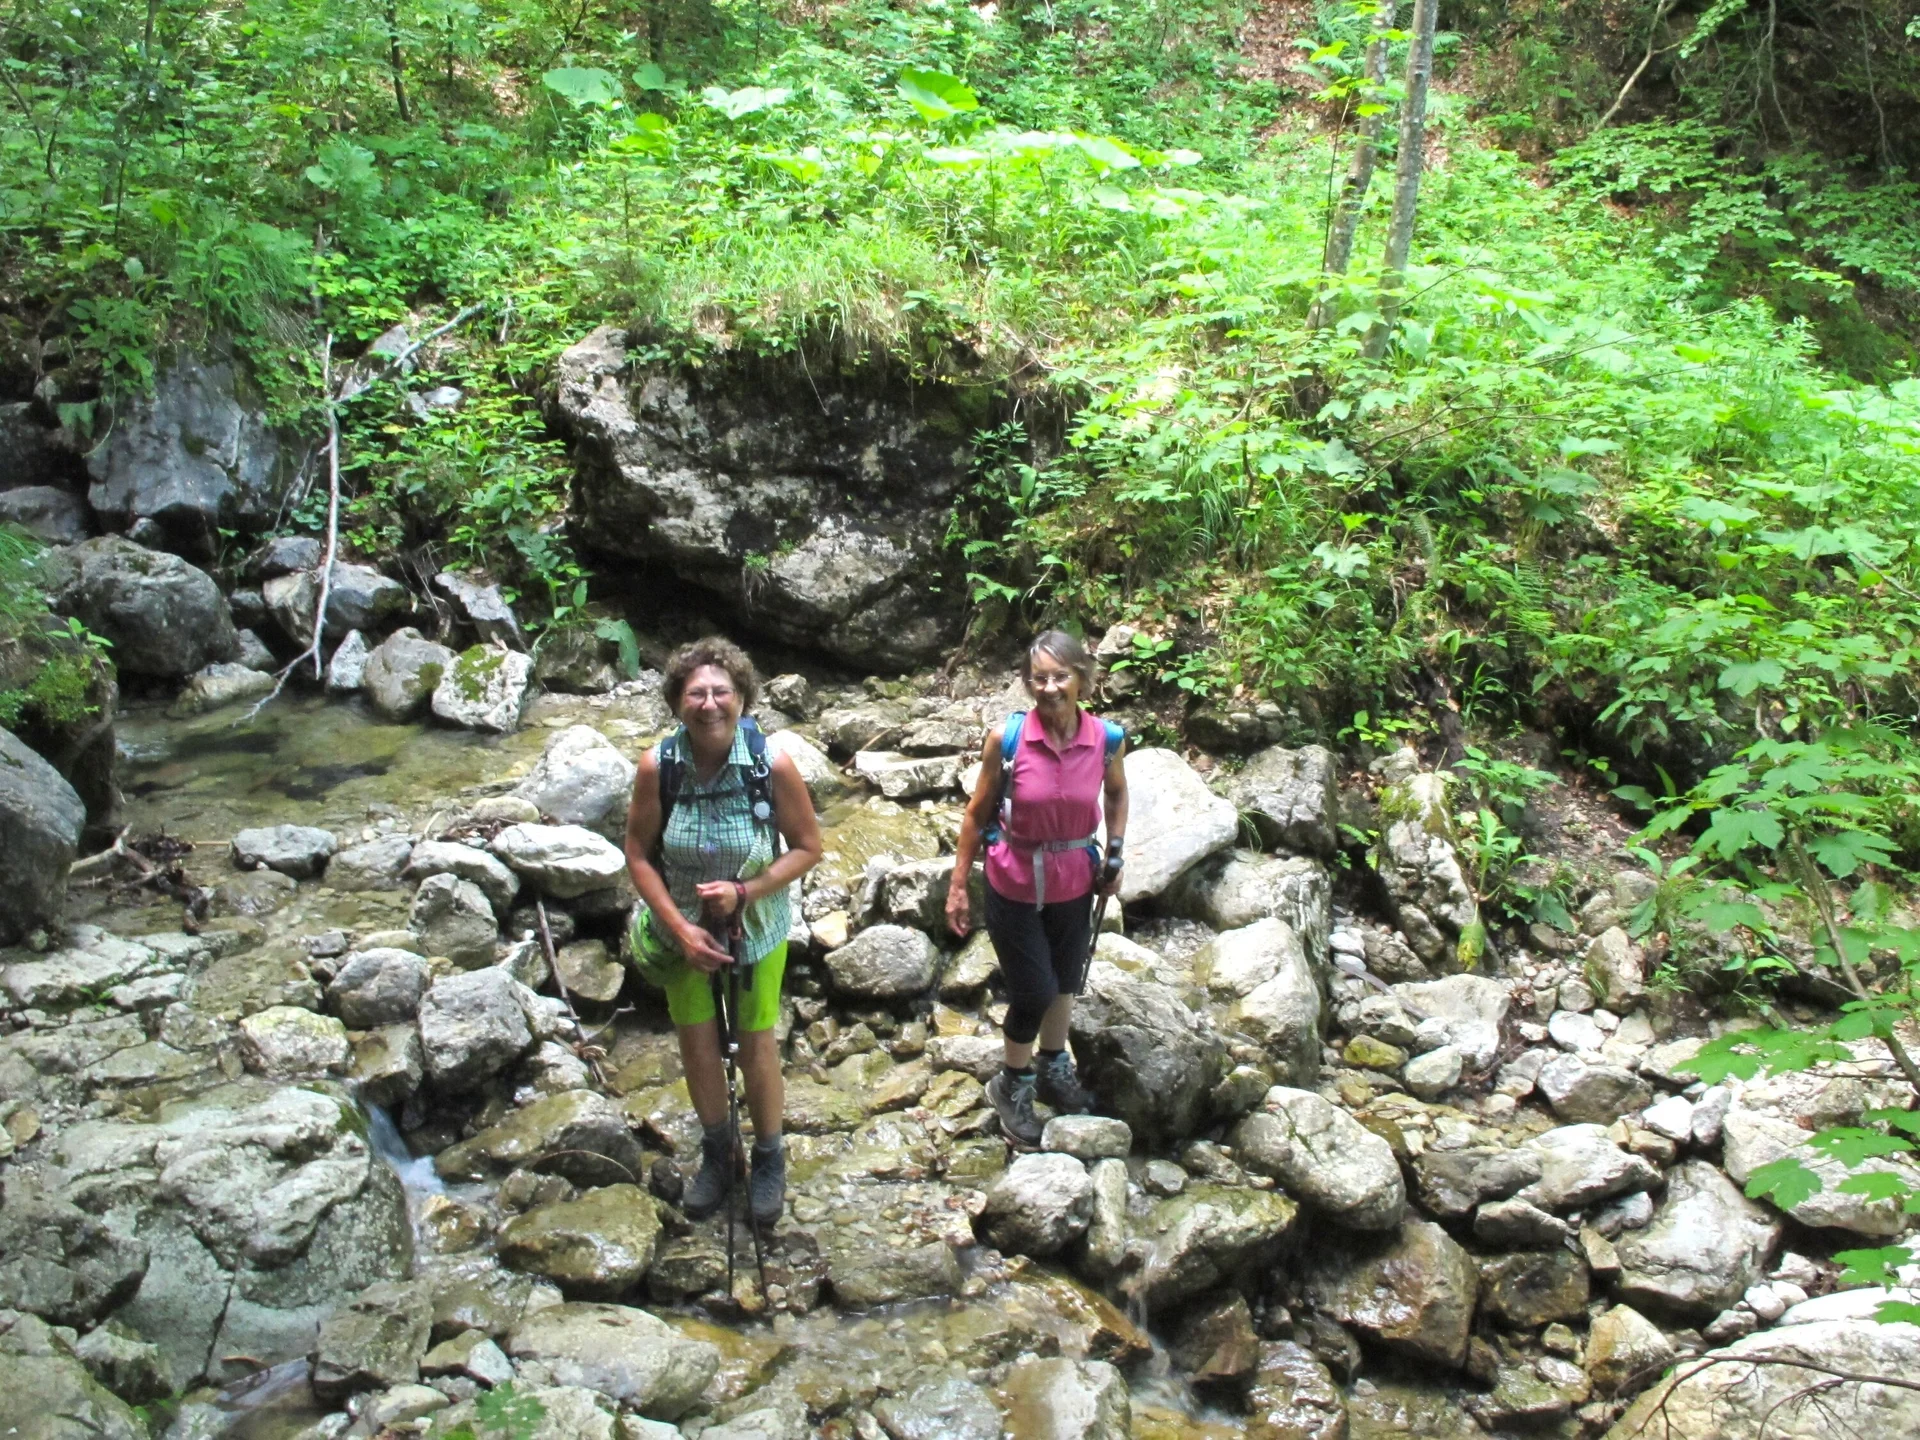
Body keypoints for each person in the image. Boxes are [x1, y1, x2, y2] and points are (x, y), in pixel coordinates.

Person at [624, 637, 823, 1226]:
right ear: (676, 703)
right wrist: (680, 928)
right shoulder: (658, 768)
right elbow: (637, 853)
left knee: (757, 1043)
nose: (709, 704)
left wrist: (746, 891)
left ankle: (768, 1157)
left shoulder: (771, 765)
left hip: (755, 928)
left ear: (741, 698)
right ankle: (719, 1153)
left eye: (721, 692)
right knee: (698, 1043)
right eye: (695, 694)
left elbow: (808, 848)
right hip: (684, 930)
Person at [946, 630, 1129, 1148]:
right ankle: (1013, 1084)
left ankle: (1052, 1065)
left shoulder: (1106, 739)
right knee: (1034, 990)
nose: (1049, 688)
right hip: (1014, 879)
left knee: (1065, 980)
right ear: (1028, 685)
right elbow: (977, 813)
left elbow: (1115, 797)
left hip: (1074, 878)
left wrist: (1114, 852)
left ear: (1082, 681)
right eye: (1039, 678)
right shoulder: (1007, 741)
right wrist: (958, 885)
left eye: (1060, 676)